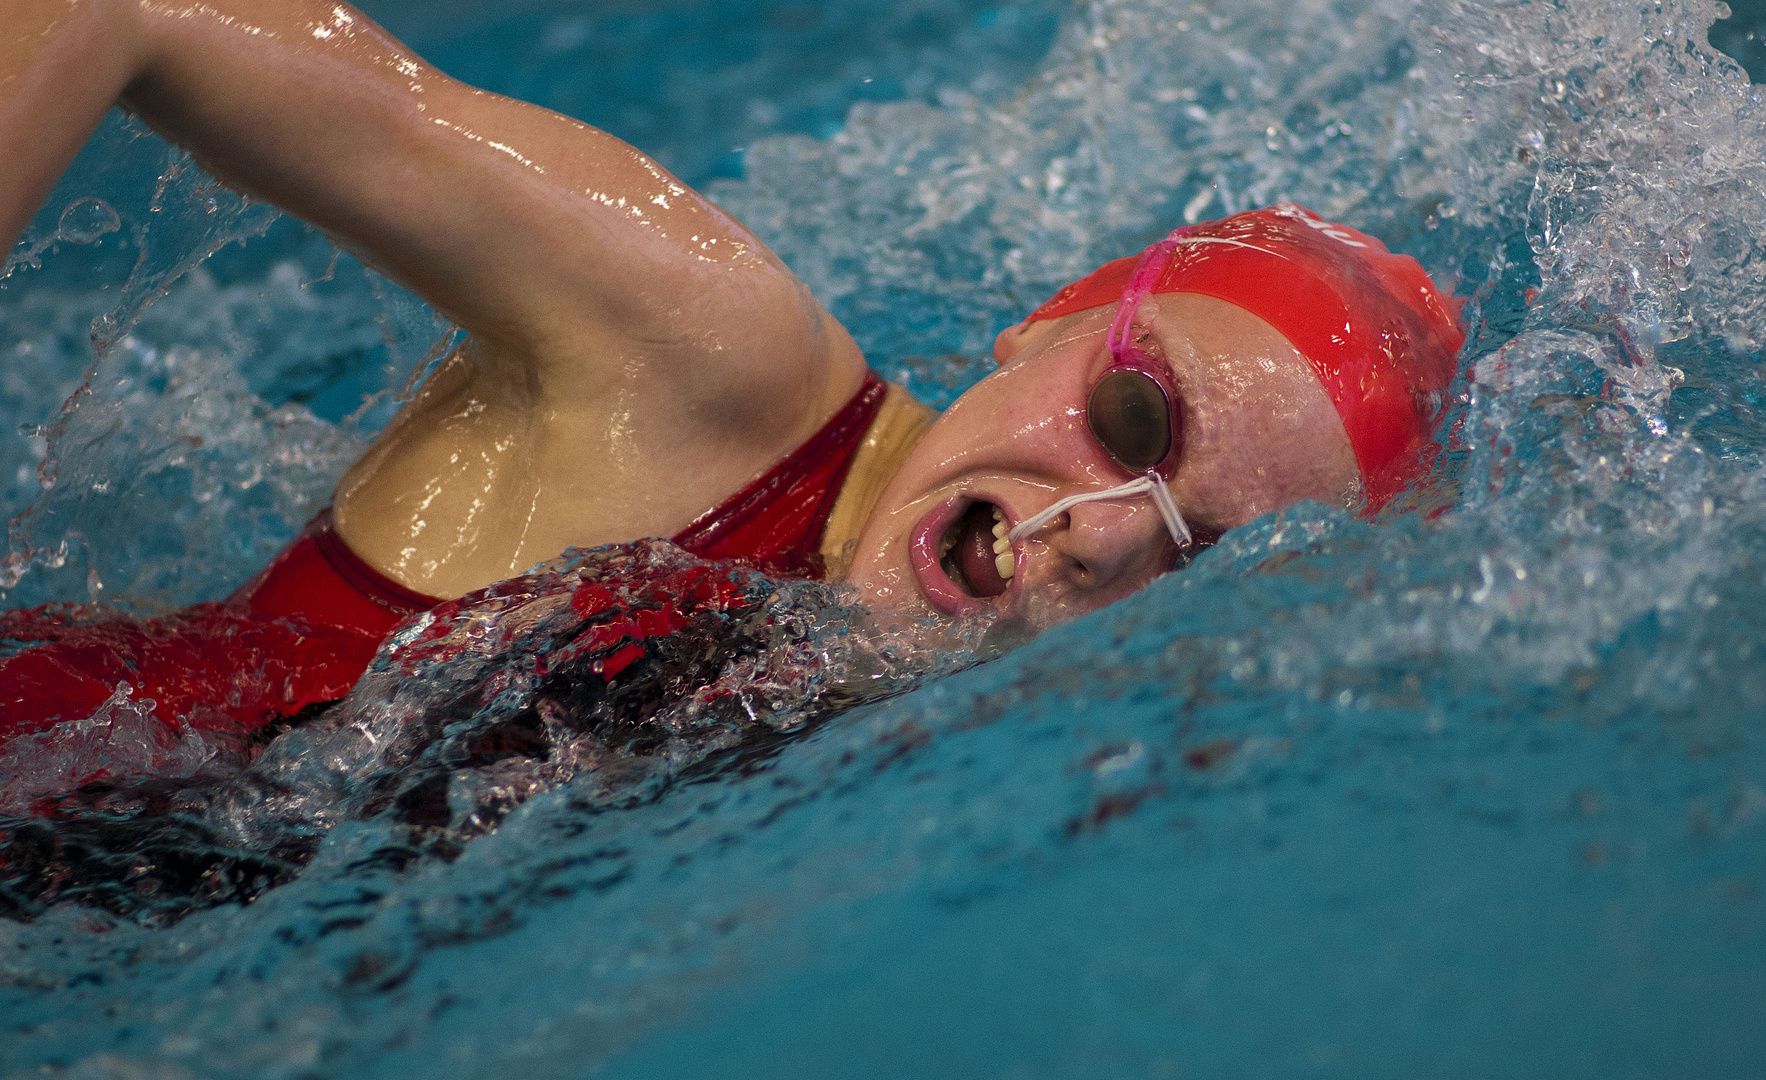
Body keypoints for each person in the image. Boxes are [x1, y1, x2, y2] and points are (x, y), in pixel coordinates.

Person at [0, 0, 1463, 752]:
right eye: (1131, 416)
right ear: (1043, 322)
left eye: (1197, 554)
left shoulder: (942, 741)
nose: (1104, 528)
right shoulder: (709, 363)